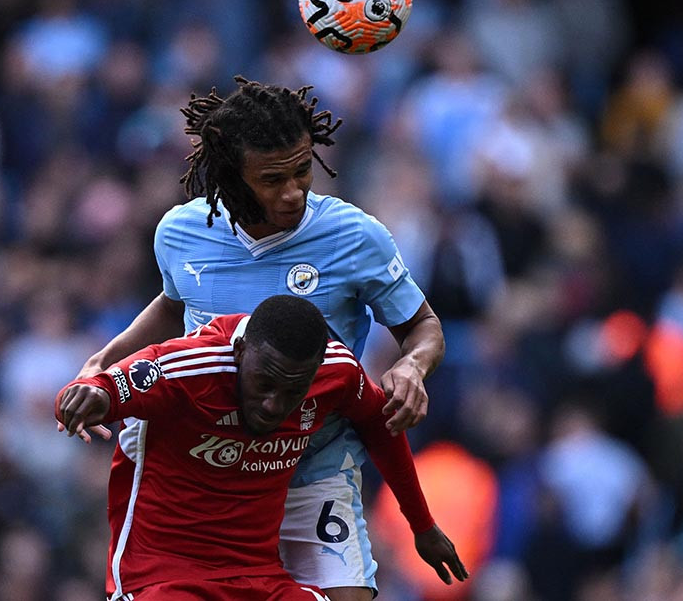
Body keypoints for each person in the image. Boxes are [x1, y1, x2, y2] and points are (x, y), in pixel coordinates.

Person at [76, 76, 446, 600]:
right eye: (273, 179)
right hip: (208, 468)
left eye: (302, 171)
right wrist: (106, 359)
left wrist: (413, 366)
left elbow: (423, 327)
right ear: (232, 175)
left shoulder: (355, 236)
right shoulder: (181, 232)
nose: (293, 191)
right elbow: (173, 304)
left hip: (311, 462)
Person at [57, 295, 467, 600]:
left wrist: (423, 525)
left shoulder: (337, 372)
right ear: (239, 354)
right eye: (264, 384)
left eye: (292, 391)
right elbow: (101, 387)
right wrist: (84, 398)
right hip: (163, 576)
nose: (274, 405)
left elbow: (381, 426)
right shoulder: (188, 367)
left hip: (257, 578)